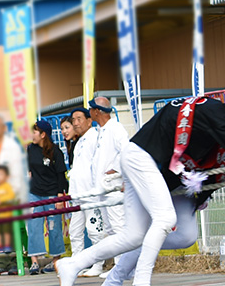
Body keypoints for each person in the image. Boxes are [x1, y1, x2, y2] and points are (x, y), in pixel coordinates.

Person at [57, 97, 225, 286]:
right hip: (142, 157)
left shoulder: (214, 116)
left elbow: (212, 171)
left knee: (150, 236)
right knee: (164, 219)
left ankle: (75, 265)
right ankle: (141, 281)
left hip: (169, 174)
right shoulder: (214, 111)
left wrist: (201, 196)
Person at [64, 107, 108, 276]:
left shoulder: (95, 137)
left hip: (91, 194)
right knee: (75, 232)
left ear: (89, 121)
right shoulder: (79, 142)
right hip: (77, 195)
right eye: (73, 120)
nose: (75, 123)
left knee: (94, 231)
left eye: (79, 119)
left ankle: (98, 264)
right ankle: (77, 264)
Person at [25, 119, 67, 274]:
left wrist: (60, 196)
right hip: (34, 193)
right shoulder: (30, 149)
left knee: (54, 227)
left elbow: (61, 175)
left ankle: (56, 260)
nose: (31, 134)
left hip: (52, 193)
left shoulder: (55, 151)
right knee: (34, 227)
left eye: (34, 132)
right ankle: (34, 262)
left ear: (43, 134)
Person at [88, 96, 128, 239]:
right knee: (109, 228)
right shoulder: (101, 130)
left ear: (97, 111)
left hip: (113, 186)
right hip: (102, 187)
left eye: (91, 108)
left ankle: (128, 254)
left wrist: (116, 169)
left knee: (118, 226)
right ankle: (120, 255)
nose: (89, 111)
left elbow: (126, 150)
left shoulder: (115, 127)